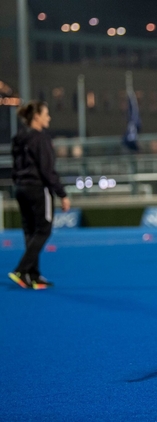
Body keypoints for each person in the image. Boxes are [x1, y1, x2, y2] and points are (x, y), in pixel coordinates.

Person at [8, 101, 71, 290]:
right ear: (36, 117)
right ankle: (22, 270)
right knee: (44, 230)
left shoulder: (19, 138)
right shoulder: (41, 139)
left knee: (30, 231)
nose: (48, 118)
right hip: (37, 188)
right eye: (46, 114)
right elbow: (47, 170)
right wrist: (62, 194)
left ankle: (32, 275)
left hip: (21, 188)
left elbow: (15, 165)